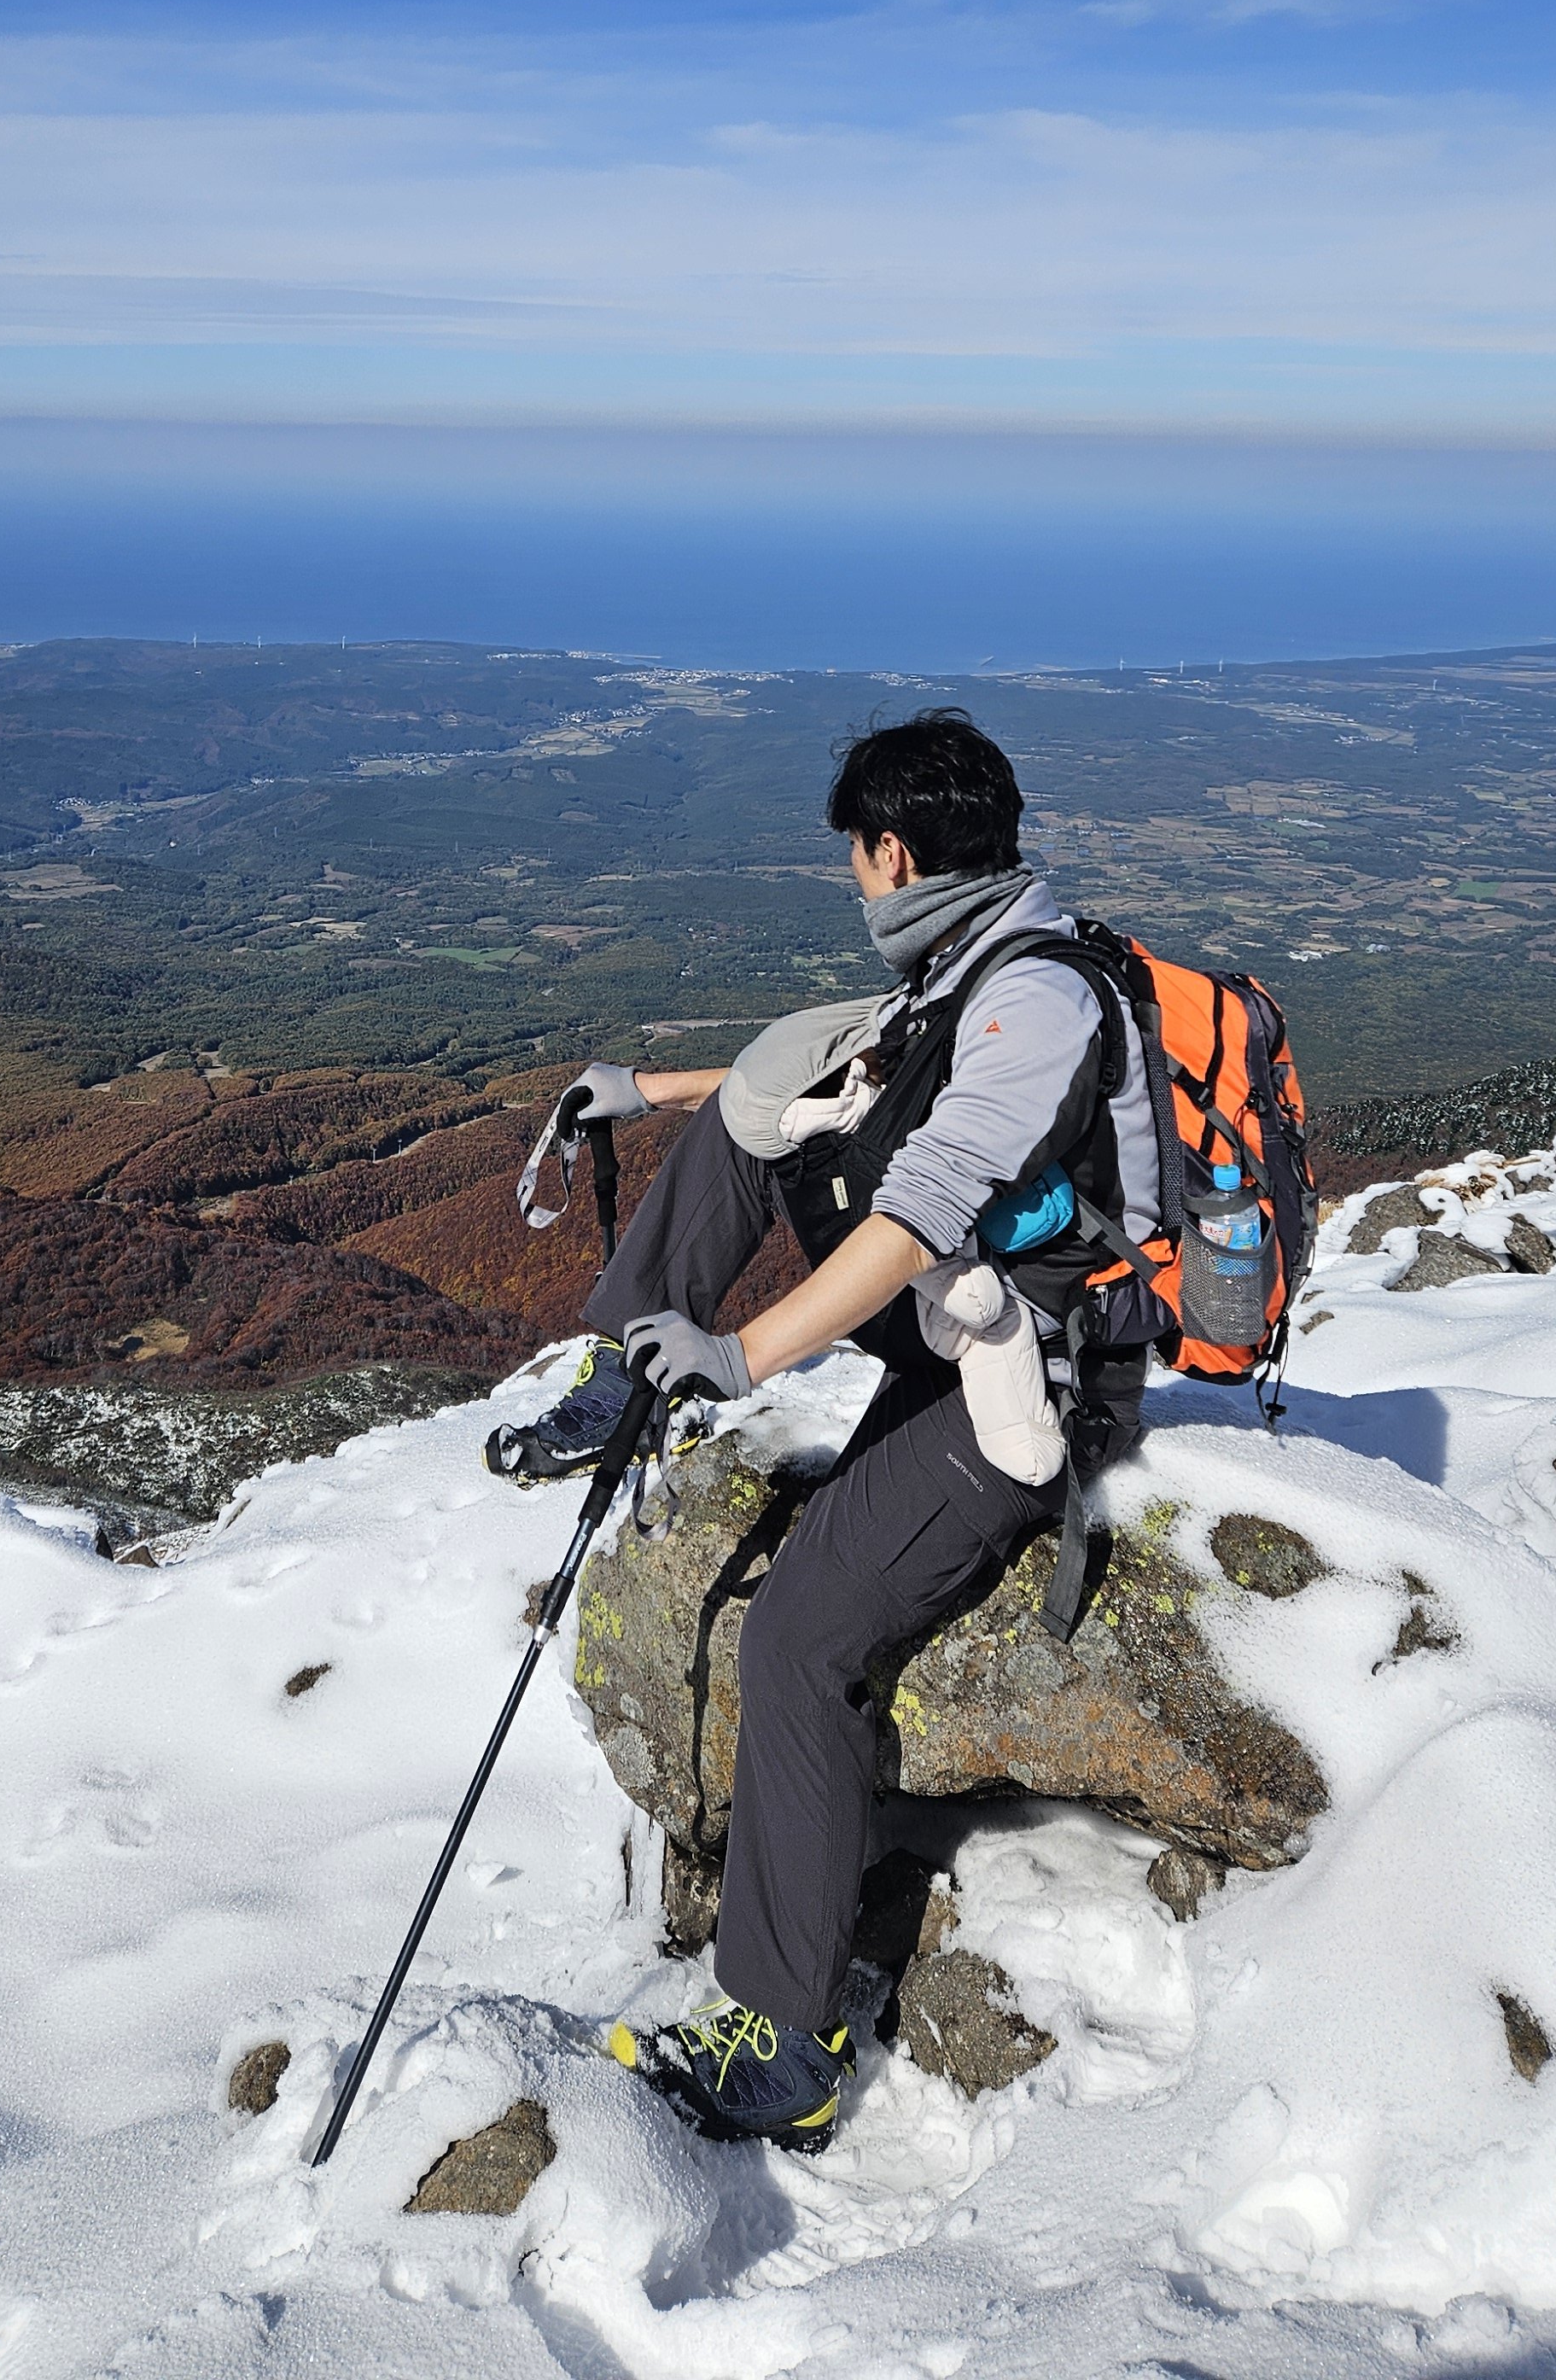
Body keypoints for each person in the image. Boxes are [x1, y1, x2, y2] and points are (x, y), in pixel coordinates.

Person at [486, 706, 1165, 2151]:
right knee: (759, 1102)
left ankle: (784, 2042)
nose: (855, 877)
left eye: (857, 854)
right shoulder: (975, 956)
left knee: (800, 1637)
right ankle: (622, 1369)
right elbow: (839, 1076)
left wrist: (740, 1357)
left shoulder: (1034, 1000)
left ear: (895, 852)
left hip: (1028, 1385)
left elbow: (919, 1216)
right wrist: (652, 1093)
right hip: (965, 1323)